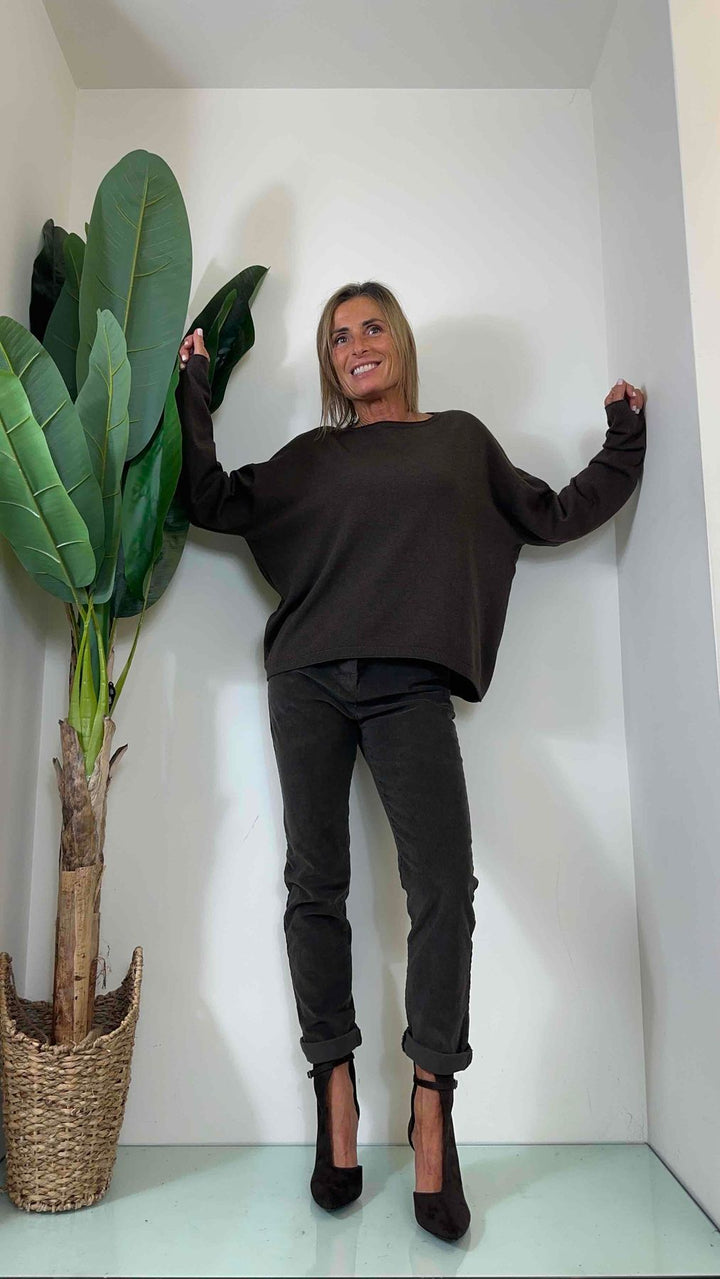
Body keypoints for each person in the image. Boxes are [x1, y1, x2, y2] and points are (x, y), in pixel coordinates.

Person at [176, 281, 646, 1242]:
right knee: (316, 884)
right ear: (330, 362)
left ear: (398, 340)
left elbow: (553, 513)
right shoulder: (312, 458)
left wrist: (624, 439)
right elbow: (210, 497)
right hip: (307, 678)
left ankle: (433, 1101)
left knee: (442, 887)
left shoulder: (458, 442)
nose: (356, 345)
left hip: (407, 686)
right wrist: (193, 389)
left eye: (371, 327)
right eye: (338, 337)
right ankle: (336, 1090)